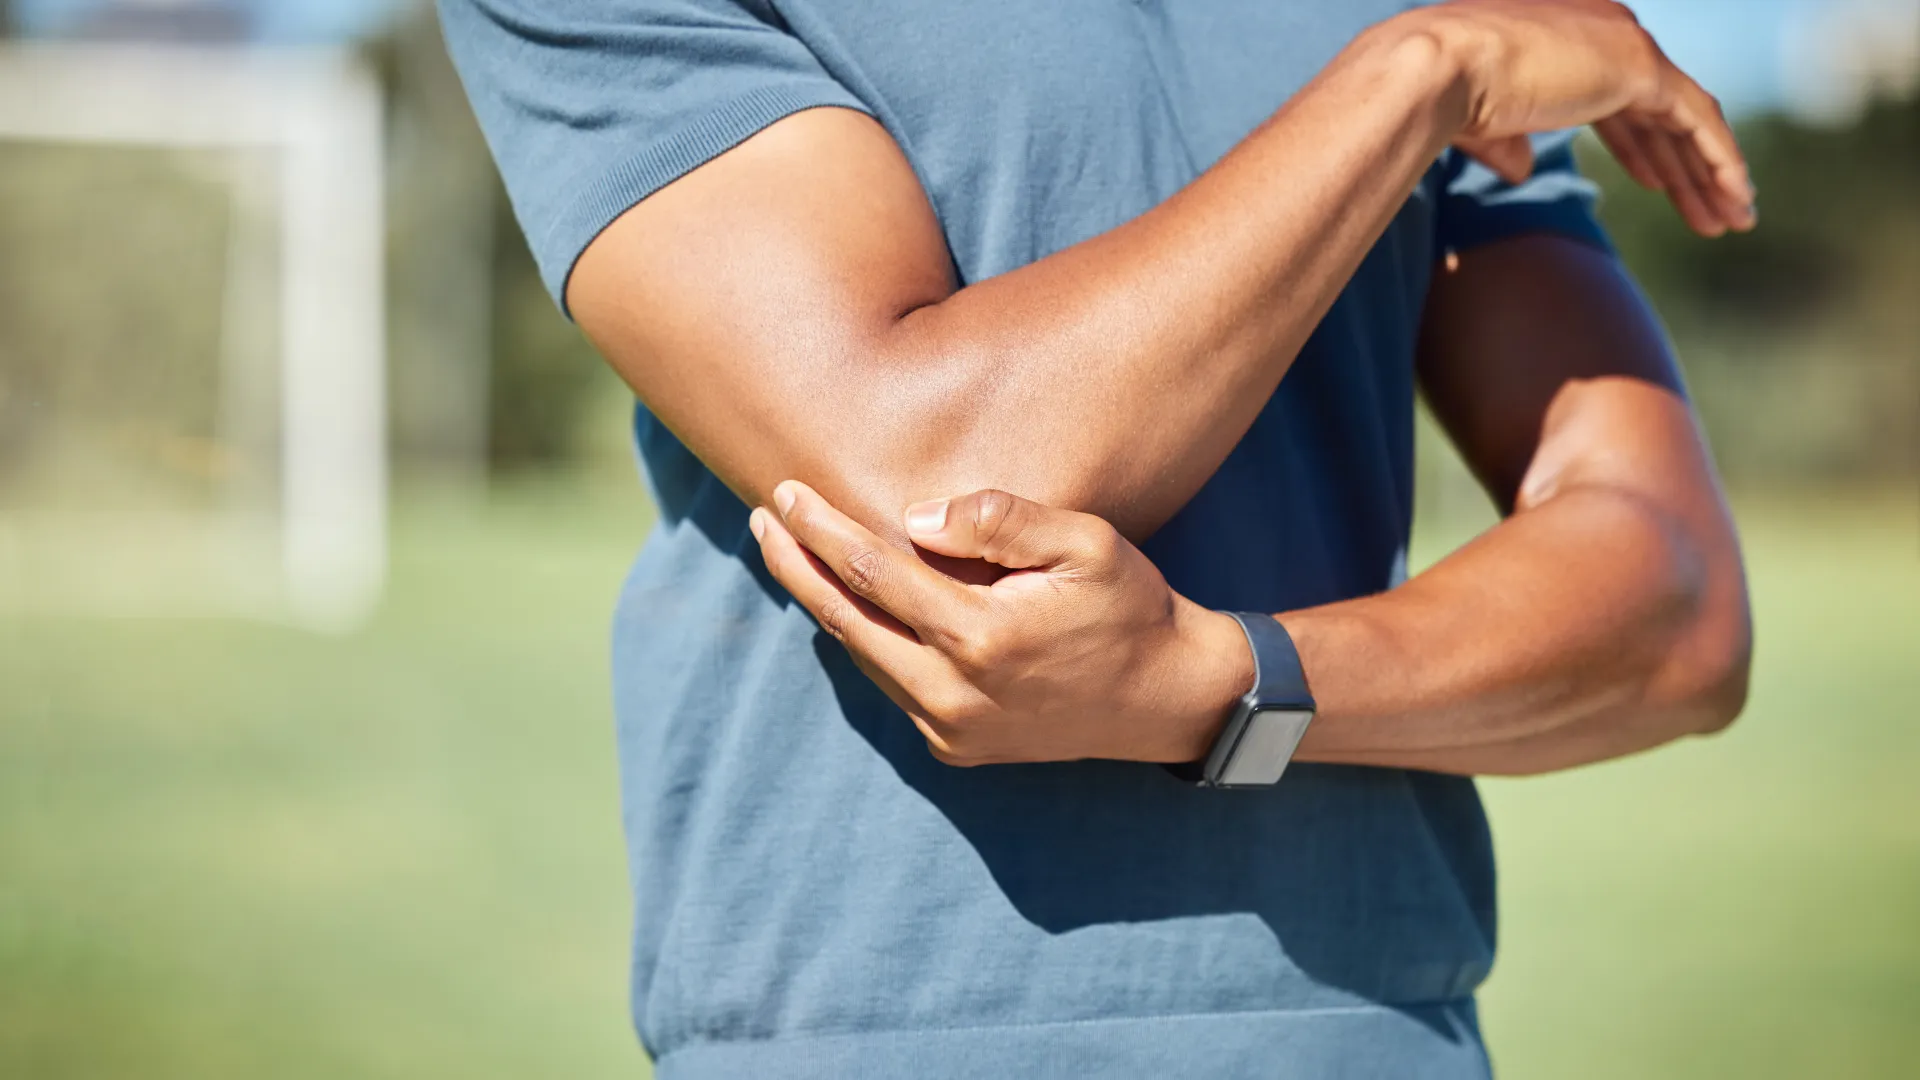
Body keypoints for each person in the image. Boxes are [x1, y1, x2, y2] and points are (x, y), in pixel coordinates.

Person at [440, 0, 1755, 1075]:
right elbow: (941, 486)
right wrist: (1416, 76)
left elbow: (1676, 611)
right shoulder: (1441, 44)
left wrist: (1222, 688)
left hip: (1372, 1035)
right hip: (875, 1043)